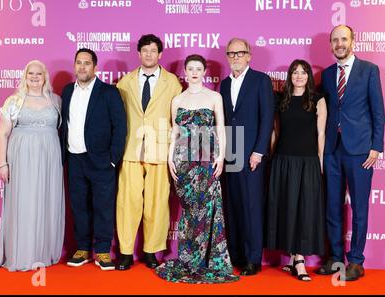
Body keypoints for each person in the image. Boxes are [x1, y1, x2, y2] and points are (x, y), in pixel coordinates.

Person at [155, 55, 239, 283]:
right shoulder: (177, 100)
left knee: (209, 207)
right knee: (190, 211)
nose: (194, 72)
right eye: (190, 68)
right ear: (184, 71)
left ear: (204, 72)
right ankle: (188, 257)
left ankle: (206, 259)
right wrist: (170, 157)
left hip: (207, 160)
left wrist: (221, 156)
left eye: (198, 68)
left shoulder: (214, 97)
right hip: (182, 162)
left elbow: (221, 129)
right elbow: (175, 131)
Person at [316, 25, 385, 281]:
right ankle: (335, 258)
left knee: (359, 208)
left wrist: (377, 147)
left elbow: (378, 111)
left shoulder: (369, 70)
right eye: (335, 40)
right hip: (333, 150)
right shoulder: (326, 74)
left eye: (344, 39)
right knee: (332, 207)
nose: (339, 44)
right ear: (331, 45)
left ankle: (356, 260)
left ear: (353, 41)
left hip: (361, 152)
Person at [115, 34, 182, 270]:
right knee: (127, 203)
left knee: (157, 203)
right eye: (145, 50)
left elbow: (177, 120)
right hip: (131, 149)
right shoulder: (125, 82)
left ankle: (152, 251)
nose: (149, 55)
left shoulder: (172, 82)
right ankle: (124, 252)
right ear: (138, 53)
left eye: (153, 51)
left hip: (160, 150)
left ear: (160, 54)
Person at [60, 48, 127, 271]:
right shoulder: (68, 90)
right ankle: (82, 248)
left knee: (103, 207)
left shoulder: (109, 92)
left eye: (87, 63)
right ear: (74, 66)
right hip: (75, 159)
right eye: (78, 62)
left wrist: (112, 159)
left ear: (95, 67)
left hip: (101, 161)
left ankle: (102, 250)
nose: (82, 67)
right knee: (79, 206)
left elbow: (120, 127)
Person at [0, 60, 64, 271]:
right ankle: (21, 253)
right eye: (30, 74)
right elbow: (2, 133)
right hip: (21, 158)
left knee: (46, 201)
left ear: (45, 77)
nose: (34, 77)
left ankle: (42, 253)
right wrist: (2, 164)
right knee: (23, 202)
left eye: (39, 74)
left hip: (49, 158)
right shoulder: (14, 100)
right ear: (25, 76)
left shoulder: (56, 101)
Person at [266, 59, 327, 281]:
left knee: (305, 209)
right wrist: (272, 157)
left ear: (309, 76)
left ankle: (300, 260)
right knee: (287, 209)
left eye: (303, 72)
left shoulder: (317, 100)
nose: (299, 76)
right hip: (283, 160)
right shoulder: (281, 99)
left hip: (308, 161)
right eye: (295, 72)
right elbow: (274, 130)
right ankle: (293, 258)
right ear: (290, 76)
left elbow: (321, 134)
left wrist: (320, 162)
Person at [220, 38, 275, 276]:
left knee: (251, 206)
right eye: (231, 54)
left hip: (252, 152)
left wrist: (259, 151)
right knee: (232, 206)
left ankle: (253, 259)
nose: (235, 57)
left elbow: (267, 117)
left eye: (240, 53)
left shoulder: (260, 80)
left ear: (249, 56)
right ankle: (237, 255)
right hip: (230, 151)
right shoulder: (222, 85)